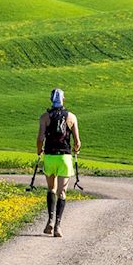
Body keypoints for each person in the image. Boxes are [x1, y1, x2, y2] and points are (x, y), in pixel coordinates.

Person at [36, 88, 81, 238]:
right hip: (65, 158)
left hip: (50, 156)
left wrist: (39, 150)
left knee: (51, 189)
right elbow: (77, 142)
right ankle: (58, 226)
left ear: (51, 100)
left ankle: (49, 220)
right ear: (64, 99)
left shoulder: (44, 117)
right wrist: (76, 149)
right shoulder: (72, 117)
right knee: (62, 192)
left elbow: (40, 139)